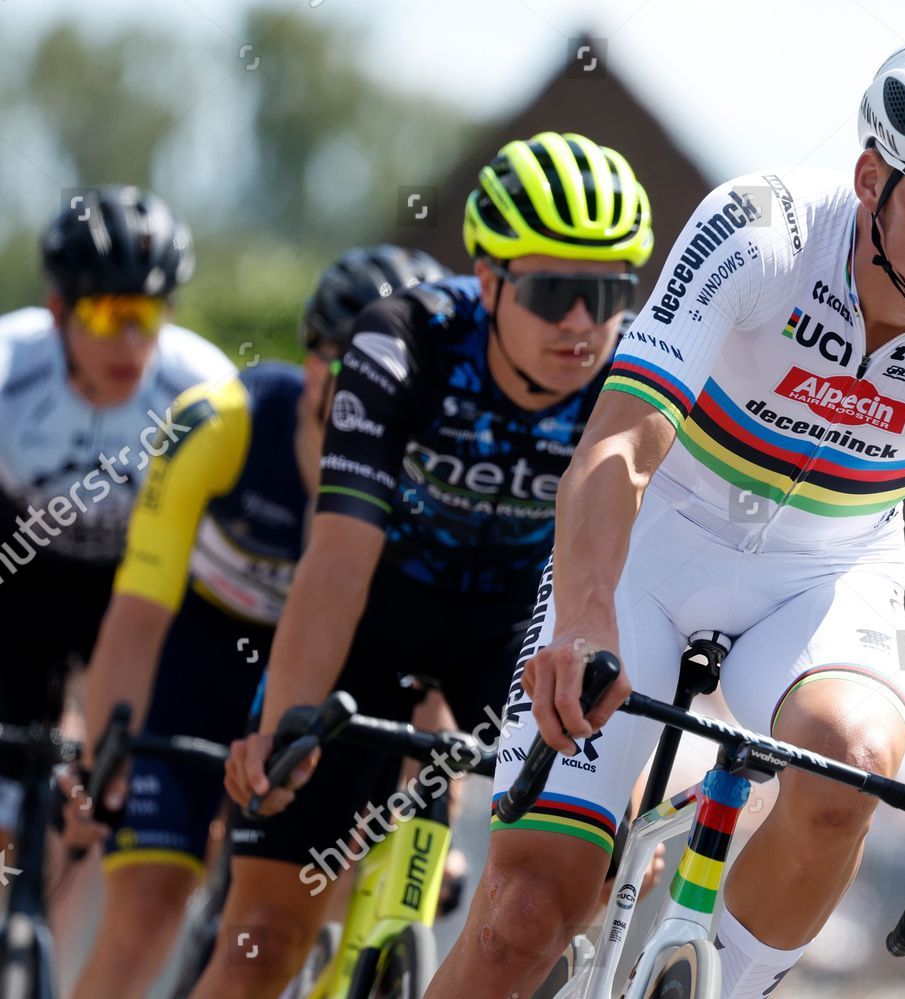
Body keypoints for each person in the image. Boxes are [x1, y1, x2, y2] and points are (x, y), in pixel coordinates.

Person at [431, 34, 905, 996]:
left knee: (853, 765)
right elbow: (620, 443)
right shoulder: (761, 228)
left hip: (824, 577)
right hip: (653, 554)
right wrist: (582, 618)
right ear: (873, 177)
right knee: (527, 912)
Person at [203, 131, 654, 997]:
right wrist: (287, 722)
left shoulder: (632, 374)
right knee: (262, 934)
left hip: (514, 633)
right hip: (373, 615)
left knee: (570, 886)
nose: (581, 323)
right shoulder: (402, 340)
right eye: (555, 289)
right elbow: (337, 560)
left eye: (609, 292)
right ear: (488, 280)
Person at [57, 245, 451, 997]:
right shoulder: (222, 422)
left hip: (330, 679)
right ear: (313, 365)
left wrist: (426, 810)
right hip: (200, 658)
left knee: (311, 904)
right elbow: (138, 615)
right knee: (144, 906)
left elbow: (433, 654)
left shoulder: (433, 485)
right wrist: (103, 757)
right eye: (357, 371)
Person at [0, 186, 232, 855]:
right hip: (22, 579)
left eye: (149, 314)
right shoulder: (11, 369)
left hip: (135, 590)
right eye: (108, 314)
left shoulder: (201, 388)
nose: (131, 341)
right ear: (57, 311)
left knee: (110, 810)